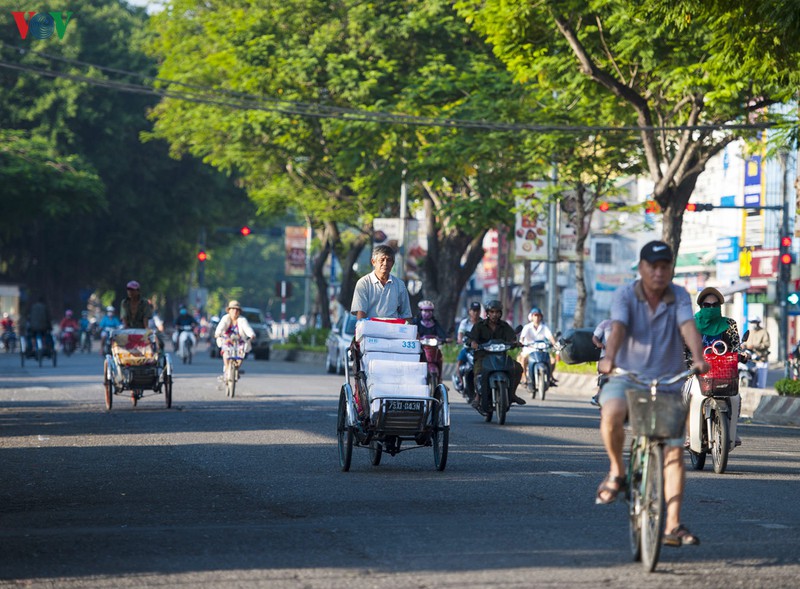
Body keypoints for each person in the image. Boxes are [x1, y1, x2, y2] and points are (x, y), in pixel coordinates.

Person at [596, 240, 708, 548]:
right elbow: (618, 328)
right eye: (653, 267)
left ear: (671, 269)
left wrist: (698, 357)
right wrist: (609, 357)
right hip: (629, 377)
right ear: (642, 268)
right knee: (612, 413)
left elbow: (687, 326)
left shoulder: (681, 296)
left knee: (673, 452)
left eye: (665, 267)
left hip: (668, 383)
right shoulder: (624, 295)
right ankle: (617, 471)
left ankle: (672, 524)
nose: (659, 273)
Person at [684, 286, 742, 446]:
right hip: (695, 372)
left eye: (715, 305)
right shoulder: (691, 325)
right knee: (689, 398)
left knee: (736, 397)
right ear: (701, 306)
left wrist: (742, 354)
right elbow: (682, 347)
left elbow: (736, 346)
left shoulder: (729, 324)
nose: (711, 308)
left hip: (722, 371)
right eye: (707, 306)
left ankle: (732, 431)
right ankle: (690, 434)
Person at [469, 299, 526, 409]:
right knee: (478, 371)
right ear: (487, 313)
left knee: (518, 368)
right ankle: (478, 396)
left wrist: (515, 343)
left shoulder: (505, 326)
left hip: (501, 357)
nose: (495, 314)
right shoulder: (479, 325)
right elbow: (471, 338)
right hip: (483, 356)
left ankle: (512, 394)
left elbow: (511, 338)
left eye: (497, 312)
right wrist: (473, 343)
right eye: (492, 312)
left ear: (501, 313)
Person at [350, 245, 412, 321]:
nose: (385, 263)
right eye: (382, 260)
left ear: (392, 263)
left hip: (393, 330)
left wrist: (410, 331)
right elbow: (361, 313)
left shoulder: (400, 285)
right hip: (370, 330)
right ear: (373, 262)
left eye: (389, 260)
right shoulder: (363, 283)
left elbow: (406, 314)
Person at [518, 307, 558, 387]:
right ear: (531, 317)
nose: (537, 318)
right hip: (529, 350)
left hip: (542, 350)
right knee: (522, 360)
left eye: (538, 316)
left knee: (553, 361)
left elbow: (550, 337)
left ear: (541, 317)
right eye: (535, 315)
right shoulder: (527, 327)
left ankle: (550, 377)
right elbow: (522, 338)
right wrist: (521, 343)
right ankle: (524, 378)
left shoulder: (544, 327)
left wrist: (555, 344)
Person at [214, 300, 255, 377]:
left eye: (237, 309)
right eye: (232, 309)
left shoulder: (242, 320)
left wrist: (251, 335)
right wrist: (218, 334)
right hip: (227, 340)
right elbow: (220, 328)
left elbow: (247, 329)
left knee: (242, 351)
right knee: (225, 351)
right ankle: (226, 369)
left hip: (239, 341)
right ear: (229, 310)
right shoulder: (225, 318)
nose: (235, 311)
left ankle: (237, 368)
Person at [455, 302, 482, 391]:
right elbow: (460, 334)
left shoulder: (483, 323)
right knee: (459, 361)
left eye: (477, 310)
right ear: (470, 311)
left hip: (480, 349)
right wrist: (460, 340)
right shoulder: (465, 322)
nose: (476, 313)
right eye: (474, 310)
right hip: (467, 348)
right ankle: (460, 381)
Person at [591, 318, 614, 406]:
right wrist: (598, 344)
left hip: (623, 358)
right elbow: (595, 337)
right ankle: (598, 395)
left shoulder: (630, 324)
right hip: (606, 355)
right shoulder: (605, 323)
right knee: (605, 375)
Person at [742, 317, 770, 388]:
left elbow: (767, 344)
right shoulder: (750, 332)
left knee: (761, 384)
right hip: (751, 359)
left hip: (761, 359)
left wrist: (755, 346)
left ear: (758, 323)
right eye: (751, 322)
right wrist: (743, 345)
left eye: (754, 322)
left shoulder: (763, 332)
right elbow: (746, 343)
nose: (753, 324)